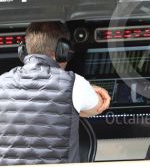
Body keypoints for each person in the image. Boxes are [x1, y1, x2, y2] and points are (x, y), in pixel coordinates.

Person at [0, 21, 110, 165]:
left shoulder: (2, 82)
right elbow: (98, 107)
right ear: (62, 50)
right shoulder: (75, 83)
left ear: (23, 51)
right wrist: (88, 92)